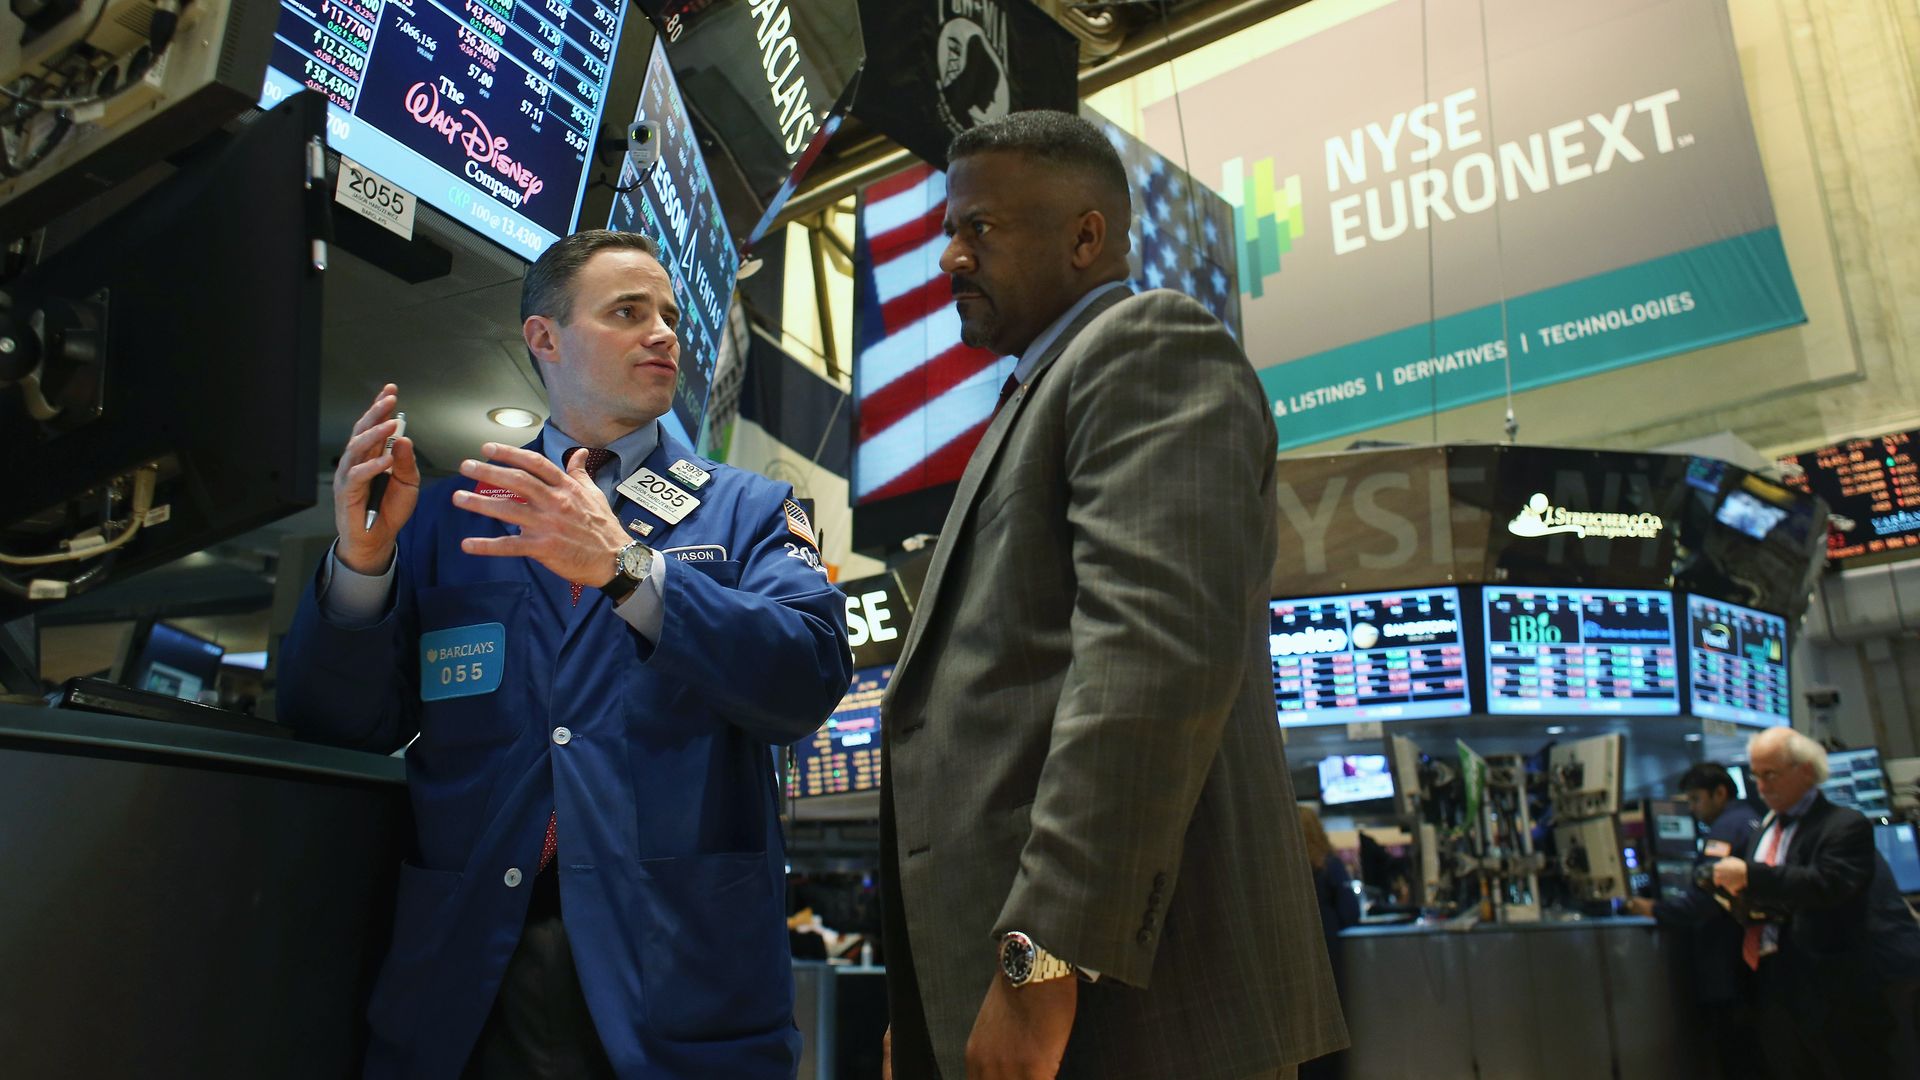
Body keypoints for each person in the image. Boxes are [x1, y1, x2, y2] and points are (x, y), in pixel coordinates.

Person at [278, 230, 853, 1079]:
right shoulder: (449, 515)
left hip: (678, 969)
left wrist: (629, 569)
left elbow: (807, 677)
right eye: (628, 312)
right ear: (544, 338)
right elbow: (338, 723)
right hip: (469, 970)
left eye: (668, 315)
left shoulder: (752, 510)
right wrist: (362, 566)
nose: (663, 334)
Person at [878, 110, 1347, 1080]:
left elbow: (1148, 662)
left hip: (1136, 1014)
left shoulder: (1145, 346)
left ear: (1086, 236)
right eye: (949, 231)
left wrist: (1037, 964)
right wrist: (928, 1002)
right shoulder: (1039, 390)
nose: (951, 257)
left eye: (980, 228)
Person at [1712, 728, 1890, 1079]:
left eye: (1770, 774)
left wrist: (1751, 875)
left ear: (1806, 770)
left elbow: (1829, 884)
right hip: (1771, 981)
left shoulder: (1844, 824)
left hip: (1831, 987)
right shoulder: (1763, 830)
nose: (1761, 786)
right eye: (1756, 776)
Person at [1624, 762, 1761, 1078]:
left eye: (1696, 799)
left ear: (1720, 793)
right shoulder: (1752, 819)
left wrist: (1654, 909)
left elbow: (1704, 900)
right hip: (1749, 962)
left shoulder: (1726, 829)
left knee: (1735, 1057)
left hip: (1726, 963)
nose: (1693, 809)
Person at [1299, 807, 1359, 1080]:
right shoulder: (1329, 865)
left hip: (1297, 948)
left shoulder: (1285, 869)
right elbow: (1350, 913)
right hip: (1329, 946)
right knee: (1332, 1019)